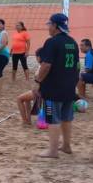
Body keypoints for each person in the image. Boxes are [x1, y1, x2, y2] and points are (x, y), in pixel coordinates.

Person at [34, 13, 80, 159]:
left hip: (53, 87)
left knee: (52, 118)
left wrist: (38, 82)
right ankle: (66, 146)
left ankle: (52, 151)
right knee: (66, 117)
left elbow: (46, 65)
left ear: (55, 25)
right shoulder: (72, 42)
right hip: (69, 86)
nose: (48, 27)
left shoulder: (51, 42)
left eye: (49, 25)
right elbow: (77, 66)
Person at [17, 48, 45, 126]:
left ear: (39, 57)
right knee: (26, 98)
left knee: (19, 99)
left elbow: (39, 80)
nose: (36, 58)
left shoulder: (43, 66)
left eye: (36, 57)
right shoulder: (45, 65)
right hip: (41, 89)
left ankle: (25, 121)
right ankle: (28, 120)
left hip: (41, 91)